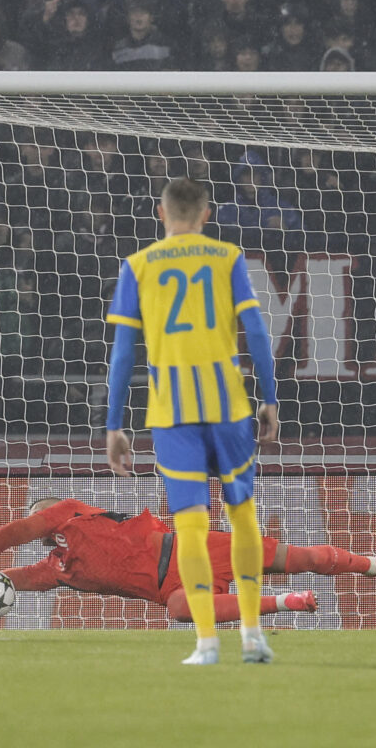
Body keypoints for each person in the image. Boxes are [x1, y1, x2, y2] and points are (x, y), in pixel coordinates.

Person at [103, 177, 278, 665]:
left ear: (161, 214)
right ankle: (251, 633)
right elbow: (257, 333)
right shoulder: (227, 257)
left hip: (172, 415)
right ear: (207, 213)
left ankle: (205, 642)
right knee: (242, 516)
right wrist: (270, 398)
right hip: (228, 406)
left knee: (192, 526)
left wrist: (115, 424)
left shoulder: (136, 266)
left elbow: (122, 356)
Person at [0, 497, 376, 624]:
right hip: (175, 586)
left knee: (299, 555)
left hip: (193, 547)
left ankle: (375, 565)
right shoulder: (59, 570)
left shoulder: (72, 514)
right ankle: (285, 603)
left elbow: (2, 538)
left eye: (40, 528)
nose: (40, 537)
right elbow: (5, 578)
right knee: (179, 611)